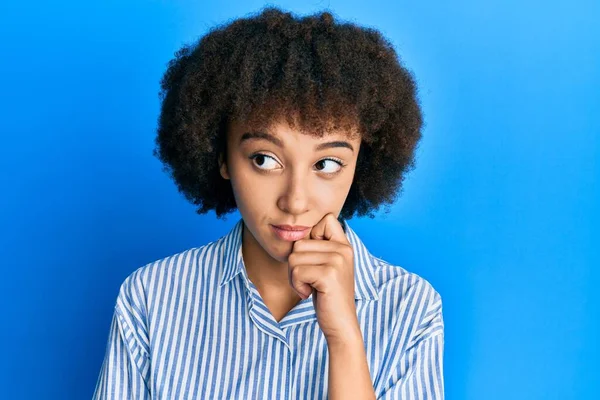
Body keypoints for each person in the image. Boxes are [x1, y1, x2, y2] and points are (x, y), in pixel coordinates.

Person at [92, 6, 444, 399]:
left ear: (361, 164)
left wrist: (344, 336)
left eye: (326, 164)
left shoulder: (409, 308)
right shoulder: (150, 298)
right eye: (264, 159)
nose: (295, 200)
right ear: (222, 157)